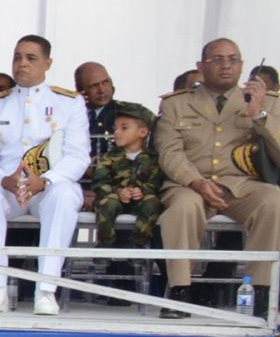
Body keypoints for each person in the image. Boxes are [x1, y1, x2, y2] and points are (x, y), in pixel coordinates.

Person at [154, 37, 280, 316]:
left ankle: (261, 291)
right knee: (183, 208)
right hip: (191, 183)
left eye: (233, 60)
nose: (226, 66)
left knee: (274, 202)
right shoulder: (177, 103)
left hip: (241, 185)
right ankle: (180, 290)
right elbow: (170, 153)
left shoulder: (267, 102)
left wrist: (259, 115)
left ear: (242, 66)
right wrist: (196, 181)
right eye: (217, 60)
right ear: (200, 66)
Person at [0, 35, 89, 315]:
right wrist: (4, 181)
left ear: (47, 63)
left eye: (31, 58)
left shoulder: (69, 103)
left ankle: (46, 289)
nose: (22, 64)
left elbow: (78, 156)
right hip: (9, 189)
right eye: (17, 57)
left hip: (46, 188)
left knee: (65, 193)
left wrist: (46, 181)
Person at [91, 102, 164, 297]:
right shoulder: (109, 157)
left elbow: (157, 183)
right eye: (115, 128)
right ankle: (106, 244)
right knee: (107, 203)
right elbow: (99, 183)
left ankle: (136, 246)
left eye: (124, 128)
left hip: (140, 200)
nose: (117, 133)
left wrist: (142, 190)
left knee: (152, 203)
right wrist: (117, 190)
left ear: (142, 132)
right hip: (116, 198)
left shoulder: (153, 158)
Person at [75, 61, 117, 164]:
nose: (102, 90)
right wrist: (75, 105)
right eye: (94, 86)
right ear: (80, 89)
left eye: (105, 82)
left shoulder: (132, 112)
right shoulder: (67, 113)